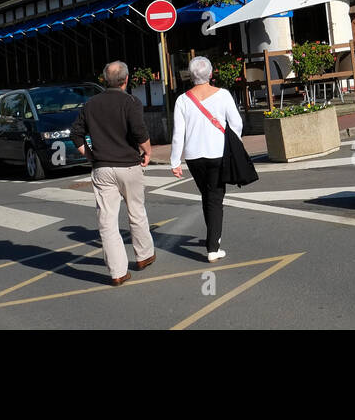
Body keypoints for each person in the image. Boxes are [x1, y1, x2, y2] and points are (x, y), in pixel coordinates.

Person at [71, 60, 154, 286]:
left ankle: (117, 272)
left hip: (102, 168)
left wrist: (89, 155)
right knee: (136, 211)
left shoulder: (90, 104)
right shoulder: (131, 102)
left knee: (107, 221)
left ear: (104, 81)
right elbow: (139, 131)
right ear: (126, 80)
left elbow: (76, 134)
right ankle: (143, 256)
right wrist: (147, 151)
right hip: (128, 165)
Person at [170, 56, 243, 262]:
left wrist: (175, 161)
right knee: (215, 198)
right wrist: (233, 144)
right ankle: (213, 247)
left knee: (207, 196)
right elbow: (236, 124)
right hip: (217, 153)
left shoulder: (182, 100)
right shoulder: (224, 95)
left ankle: (212, 237)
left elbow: (178, 134)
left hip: (194, 157)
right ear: (211, 74)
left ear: (191, 76)